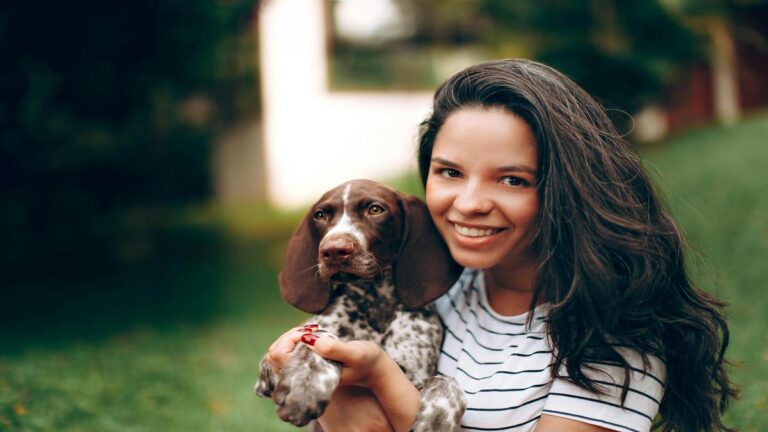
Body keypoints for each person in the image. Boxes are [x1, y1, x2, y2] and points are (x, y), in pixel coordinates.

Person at [265, 59, 736, 431]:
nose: (468, 204)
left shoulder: (610, 336)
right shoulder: (429, 281)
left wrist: (374, 377)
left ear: (566, 189)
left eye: (512, 179)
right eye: (450, 172)